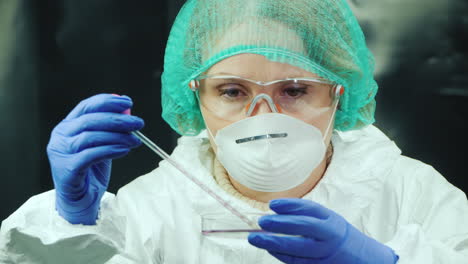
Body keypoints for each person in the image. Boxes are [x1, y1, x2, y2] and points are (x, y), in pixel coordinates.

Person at [1, 0, 468, 263]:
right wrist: (73, 223)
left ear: (338, 95)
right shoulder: (151, 210)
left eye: (294, 89)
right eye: (231, 91)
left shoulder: (413, 194)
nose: (262, 115)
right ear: (194, 97)